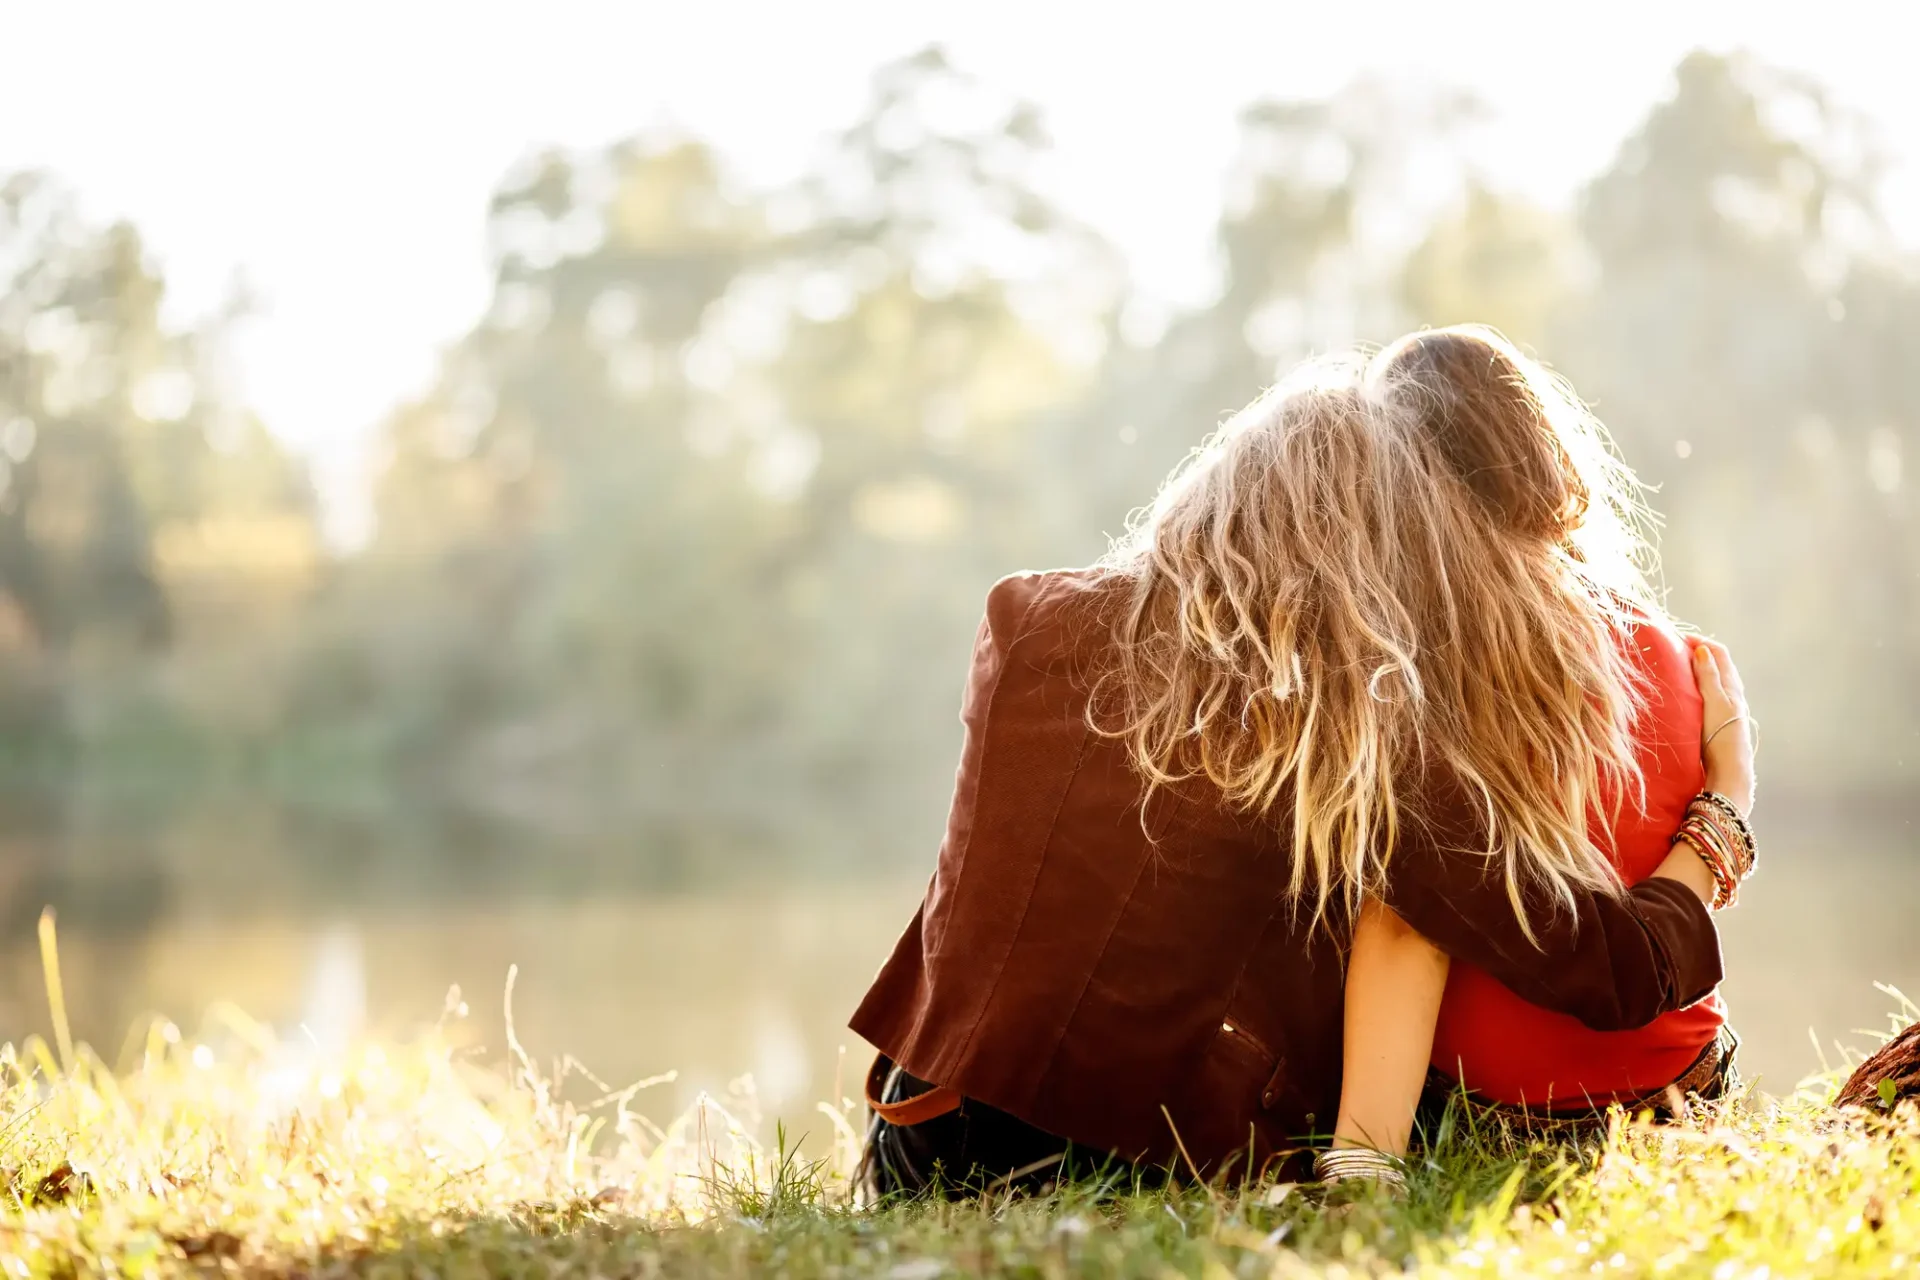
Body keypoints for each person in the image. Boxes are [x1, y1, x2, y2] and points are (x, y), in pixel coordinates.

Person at [851, 332, 1755, 1197]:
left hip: (920, 1134)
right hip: (1139, 1163)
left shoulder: (1025, 619)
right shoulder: (1347, 717)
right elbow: (1614, 969)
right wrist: (1726, 809)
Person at [1322, 328, 1755, 1186]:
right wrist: (1735, 791)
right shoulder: (1672, 649)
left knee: (1389, 884)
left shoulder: (1430, 665)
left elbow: (1410, 930)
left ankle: (1365, 1161)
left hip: (1507, 1122)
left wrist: (1364, 1168)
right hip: (1684, 1090)